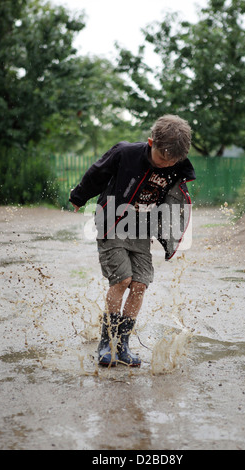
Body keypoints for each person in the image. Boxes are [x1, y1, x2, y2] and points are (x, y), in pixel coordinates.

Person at [69, 115, 196, 367]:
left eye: (172, 161)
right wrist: (80, 196)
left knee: (139, 284)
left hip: (141, 230)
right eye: (162, 158)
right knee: (122, 279)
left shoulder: (176, 165)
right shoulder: (125, 153)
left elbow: (175, 199)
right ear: (151, 143)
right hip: (111, 222)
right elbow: (97, 173)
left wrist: (167, 234)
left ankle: (122, 343)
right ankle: (106, 343)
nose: (166, 165)